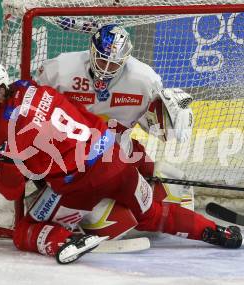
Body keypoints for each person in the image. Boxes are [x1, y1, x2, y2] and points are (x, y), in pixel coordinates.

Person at [0, 60, 243, 264]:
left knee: (24, 231)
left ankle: (67, 241)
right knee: (153, 214)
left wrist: (14, 165)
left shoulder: (3, 130)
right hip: (116, 160)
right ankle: (215, 231)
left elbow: (10, 190)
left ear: (0, 90)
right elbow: (81, 115)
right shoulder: (36, 90)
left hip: (81, 186)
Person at [35, 23, 195, 236]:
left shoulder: (144, 80)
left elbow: (158, 128)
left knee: (177, 192)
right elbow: (32, 105)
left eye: (115, 63)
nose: (106, 69)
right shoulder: (60, 69)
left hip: (120, 157)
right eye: (102, 60)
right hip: (74, 164)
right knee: (116, 223)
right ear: (92, 51)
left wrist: (175, 117)